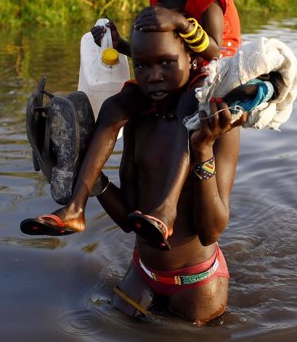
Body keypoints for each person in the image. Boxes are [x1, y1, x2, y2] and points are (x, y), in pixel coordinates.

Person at [21, 0, 241, 249]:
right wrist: (122, 43)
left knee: (190, 113)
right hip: (177, 73)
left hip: (212, 74)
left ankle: (167, 209)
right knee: (114, 107)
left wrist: (182, 23)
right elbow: (160, 53)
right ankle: (75, 208)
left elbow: (216, 51)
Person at [87, 22, 244, 323]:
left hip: (196, 284)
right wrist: (89, 174)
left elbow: (212, 229)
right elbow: (129, 220)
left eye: (166, 62)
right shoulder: (138, 117)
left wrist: (202, 151)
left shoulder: (217, 123)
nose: (153, 76)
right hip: (142, 271)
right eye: (143, 65)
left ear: (192, 59)